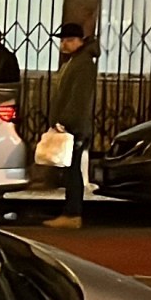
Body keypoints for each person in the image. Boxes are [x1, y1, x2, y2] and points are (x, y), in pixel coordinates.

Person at [46, 23, 97, 229]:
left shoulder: (83, 64)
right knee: (70, 170)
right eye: (62, 40)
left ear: (80, 41)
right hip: (71, 126)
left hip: (73, 127)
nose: (64, 44)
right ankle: (70, 212)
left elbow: (79, 99)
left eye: (69, 40)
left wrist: (64, 122)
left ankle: (72, 213)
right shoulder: (75, 61)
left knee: (73, 171)